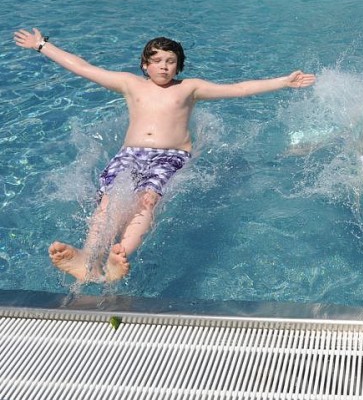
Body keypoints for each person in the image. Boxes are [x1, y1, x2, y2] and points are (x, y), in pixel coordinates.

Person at [13, 28, 316, 283]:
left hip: (169, 156)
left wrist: (283, 82)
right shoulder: (129, 84)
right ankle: (87, 260)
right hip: (130, 154)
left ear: (179, 67)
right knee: (107, 202)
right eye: (156, 61)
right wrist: (42, 46)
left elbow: (238, 89)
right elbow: (83, 67)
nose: (164, 67)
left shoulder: (189, 88)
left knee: (147, 199)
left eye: (171, 61)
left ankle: (120, 255)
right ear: (144, 65)